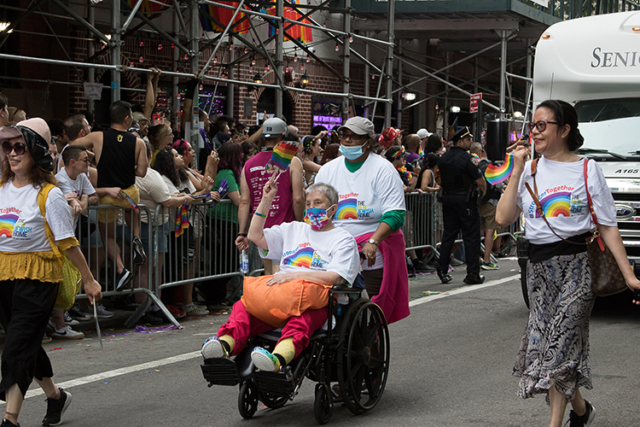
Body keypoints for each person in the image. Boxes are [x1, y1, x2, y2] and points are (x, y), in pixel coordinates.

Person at [496, 99, 640, 427]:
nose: (535, 131)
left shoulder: (588, 169)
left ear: (564, 130)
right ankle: (581, 411)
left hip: (577, 268)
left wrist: (629, 274)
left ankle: (554, 423)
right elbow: (503, 218)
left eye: (543, 125)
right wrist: (516, 170)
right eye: (533, 125)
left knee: (559, 345)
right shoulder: (528, 170)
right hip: (539, 272)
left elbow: (607, 225)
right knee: (549, 344)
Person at [0, 118, 102, 427]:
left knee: (16, 347)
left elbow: (68, 243)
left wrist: (89, 278)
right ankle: (56, 397)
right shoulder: (2, 188)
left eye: (20, 147)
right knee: (26, 343)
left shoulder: (50, 194)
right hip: (5, 276)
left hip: (39, 277)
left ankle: (10, 419)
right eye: (8, 146)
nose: (13, 153)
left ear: (37, 152)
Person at [201, 181, 359, 372]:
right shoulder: (293, 229)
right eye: (308, 204)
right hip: (281, 296)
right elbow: (255, 235)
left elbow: (336, 277)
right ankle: (224, 346)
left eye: (318, 203)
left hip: (315, 303)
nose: (311, 208)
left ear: (332, 209)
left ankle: (277, 360)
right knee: (244, 307)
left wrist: (293, 276)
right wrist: (266, 199)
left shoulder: (343, 239)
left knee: (301, 321)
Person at [314, 116, 409, 324]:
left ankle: (371, 340)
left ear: (368, 141)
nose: (347, 141)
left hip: (373, 245)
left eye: (354, 137)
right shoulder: (329, 170)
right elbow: (314, 208)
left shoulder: (383, 169)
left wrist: (373, 242)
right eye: (344, 136)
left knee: (372, 310)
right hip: (336, 244)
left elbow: (395, 213)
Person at [75, 100, 148, 290]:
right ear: (127, 118)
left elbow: (72, 145)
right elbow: (141, 172)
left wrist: (94, 157)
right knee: (134, 210)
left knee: (108, 235)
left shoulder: (98, 137)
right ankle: (136, 238)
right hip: (129, 193)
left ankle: (120, 268)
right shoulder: (138, 142)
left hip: (107, 195)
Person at [135, 142, 197, 322]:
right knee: (147, 266)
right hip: (148, 223)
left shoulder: (150, 173)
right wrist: (184, 198)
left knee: (157, 267)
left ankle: (155, 304)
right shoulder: (143, 174)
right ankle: (144, 307)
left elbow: (168, 197)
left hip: (157, 223)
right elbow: (167, 201)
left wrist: (179, 197)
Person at [235, 118, 305, 275]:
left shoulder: (249, 164)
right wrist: (301, 224)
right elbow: (298, 199)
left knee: (269, 273)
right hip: (286, 229)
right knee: (288, 274)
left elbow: (244, 201)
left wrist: (242, 233)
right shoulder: (293, 162)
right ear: (282, 136)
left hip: (261, 231)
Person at [436, 126, 486, 285]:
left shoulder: (443, 158)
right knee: (471, 236)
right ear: (460, 141)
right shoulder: (468, 158)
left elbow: (439, 180)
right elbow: (480, 181)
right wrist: (483, 193)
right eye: (468, 139)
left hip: (448, 198)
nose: (471, 142)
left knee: (449, 234)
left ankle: (442, 270)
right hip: (465, 200)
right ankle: (473, 273)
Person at [471, 142, 502, 271]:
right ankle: (486, 259)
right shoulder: (495, 165)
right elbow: (499, 184)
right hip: (492, 200)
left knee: (478, 230)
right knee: (490, 230)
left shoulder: (478, 163)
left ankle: (476, 258)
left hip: (479, 200)